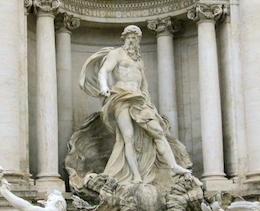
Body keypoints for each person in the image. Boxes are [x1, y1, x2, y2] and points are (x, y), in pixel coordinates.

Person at [79, 25, 190, 185]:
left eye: (136, 38)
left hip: (139, 99)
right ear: (124, 38)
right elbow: (104, 71)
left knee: (158, 131)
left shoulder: (139, 60)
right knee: (128, 137)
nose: (133, 41)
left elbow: (143, 84)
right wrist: (104, 86)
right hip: (121, 97)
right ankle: (136, 175)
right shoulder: (116, 54)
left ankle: (173, 166)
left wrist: (149, 104)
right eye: (130, 37)